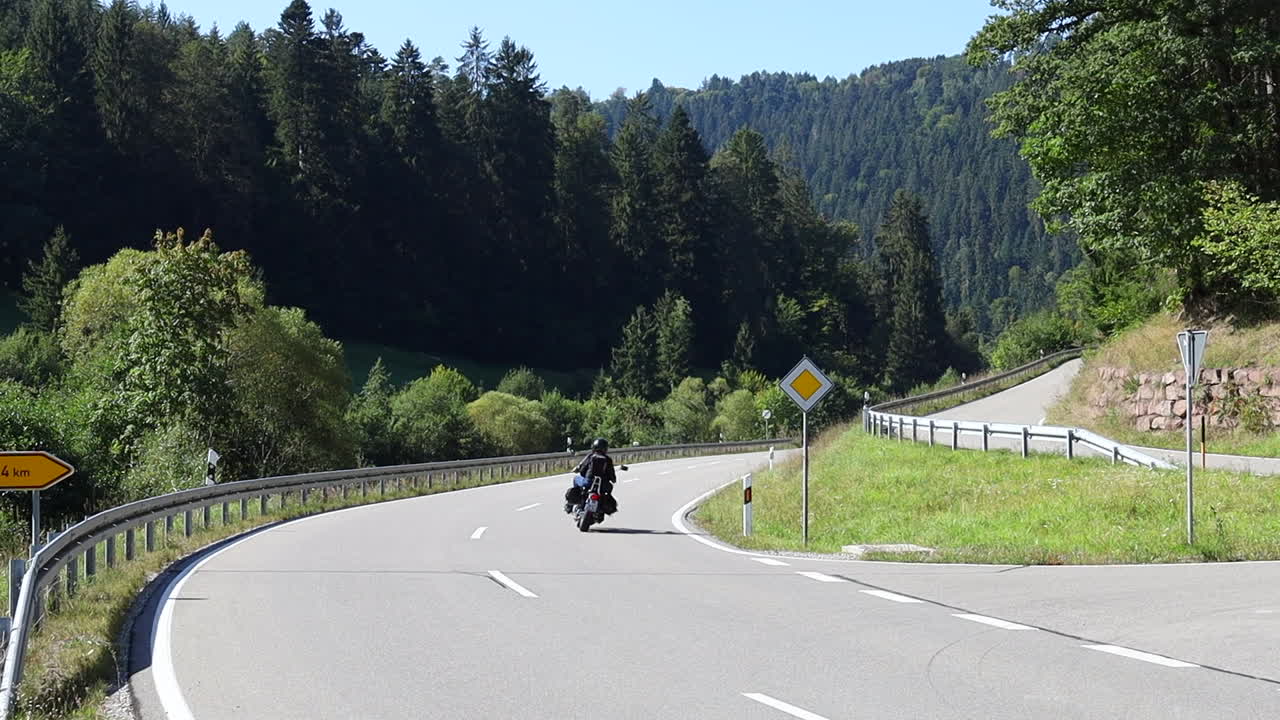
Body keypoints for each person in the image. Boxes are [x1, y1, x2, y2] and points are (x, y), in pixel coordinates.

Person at [564, 437, 618, 514]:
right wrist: (612, 480)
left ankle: (570, 505)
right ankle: (602, 507)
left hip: (588, 482)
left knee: (576, 479)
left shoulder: (590, 456)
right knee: (608, 491)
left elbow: (582, 469)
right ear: (605, 448)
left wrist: (580, 471)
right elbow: (612, 477)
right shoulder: (608, 459)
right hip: (603, 486)